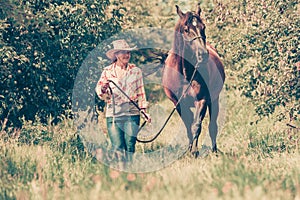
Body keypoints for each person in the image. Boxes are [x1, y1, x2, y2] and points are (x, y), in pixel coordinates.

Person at [95, 39, 150, 163]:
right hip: (114, 112)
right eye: (123, 53)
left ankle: (129, 170)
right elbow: (99, 90)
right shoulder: (107, 71)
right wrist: (103, 89)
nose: (126, 55)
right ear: (116, 55)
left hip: (132, 111)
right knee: (118, 146)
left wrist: (144, 111)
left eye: (128, 53)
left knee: (130, 145)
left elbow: (141, 93)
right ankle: (121, 171)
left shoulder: (136, 71)